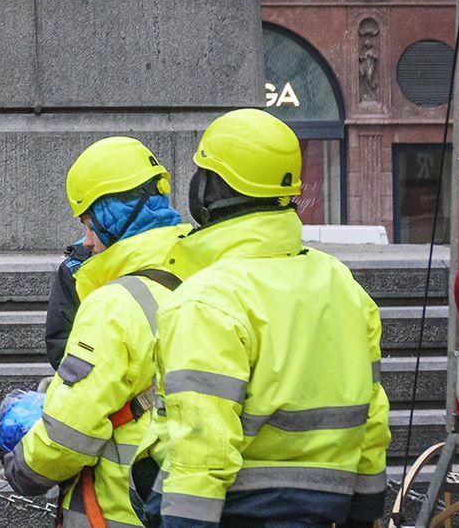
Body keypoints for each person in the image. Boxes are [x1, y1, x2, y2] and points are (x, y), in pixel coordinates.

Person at [145, 110, 391, 528]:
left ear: (209, 190)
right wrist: (366, 511)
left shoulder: (208, 300)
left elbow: (203, 449)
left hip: (238, 515)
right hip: (332, 512)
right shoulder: (340, 283)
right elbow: (372, 417)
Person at [3, 137, 191, 527]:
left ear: (115, 217)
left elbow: (68, 436)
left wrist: (19, 466)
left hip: (122, 508)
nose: (86, 242)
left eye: (89, 225)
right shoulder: (209, 275)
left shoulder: (114, 306)